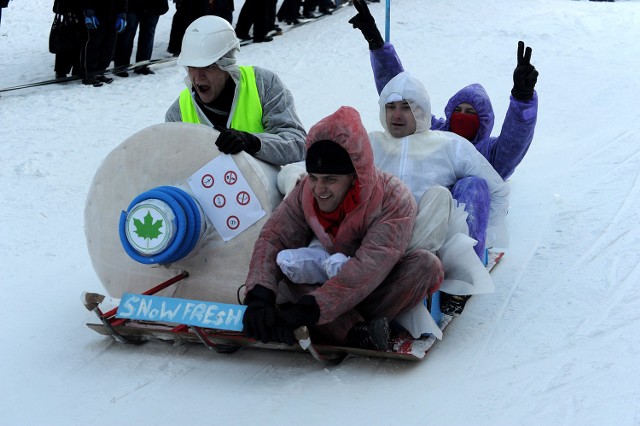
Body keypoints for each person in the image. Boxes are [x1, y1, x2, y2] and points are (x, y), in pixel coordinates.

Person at [242, 106, 444, 350]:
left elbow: (369, 268)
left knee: (426, 265)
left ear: (355, 176)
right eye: (314, 177)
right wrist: (259, 297)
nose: (319, 189)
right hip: (325, 282)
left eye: (330, 180)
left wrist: (307, 311)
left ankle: (342, 328)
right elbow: (274, 237)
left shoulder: (393, 199)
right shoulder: (305, 191)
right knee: (285, 264)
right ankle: (357, 330)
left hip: (377, 283)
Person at [349, 0, 539, 181]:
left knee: (472, 185)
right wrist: (376, 43)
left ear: (484, 121)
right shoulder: (434, 133)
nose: (463, 116)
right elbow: (400, 92)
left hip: (463, 209)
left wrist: (523, 99)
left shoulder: (489, 152)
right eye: (459, 110)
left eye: (471, 112)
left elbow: (515, 141)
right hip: (419, 203)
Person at [165, 15, 306, 166]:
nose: (198, 77)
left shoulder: (263, 85)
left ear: (227, 64)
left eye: (208, 66)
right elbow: (172, 168)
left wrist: (253, 142)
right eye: (192, 67)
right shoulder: (178, 114)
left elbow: (298, 143)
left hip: (264, 187)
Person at [113, 0, 169, 77]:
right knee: (127, 35)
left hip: (153, 6)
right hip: (131, 6)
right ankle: (121, 66)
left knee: (148, 35)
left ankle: (143, 65)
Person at [80, 0, 128, 86]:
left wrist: (122, 13)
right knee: (94, 44)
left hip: (113, 16)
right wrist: (88, 11)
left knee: (108, 46)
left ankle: (100, 71)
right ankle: (89, 74)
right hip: (97, 14)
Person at [51, 0, 86, 79]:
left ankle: (77, 69)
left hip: (80, 14)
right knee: (65, 43)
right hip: (67, 16)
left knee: (80, 42)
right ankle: (61, 71)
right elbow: (57, 7)